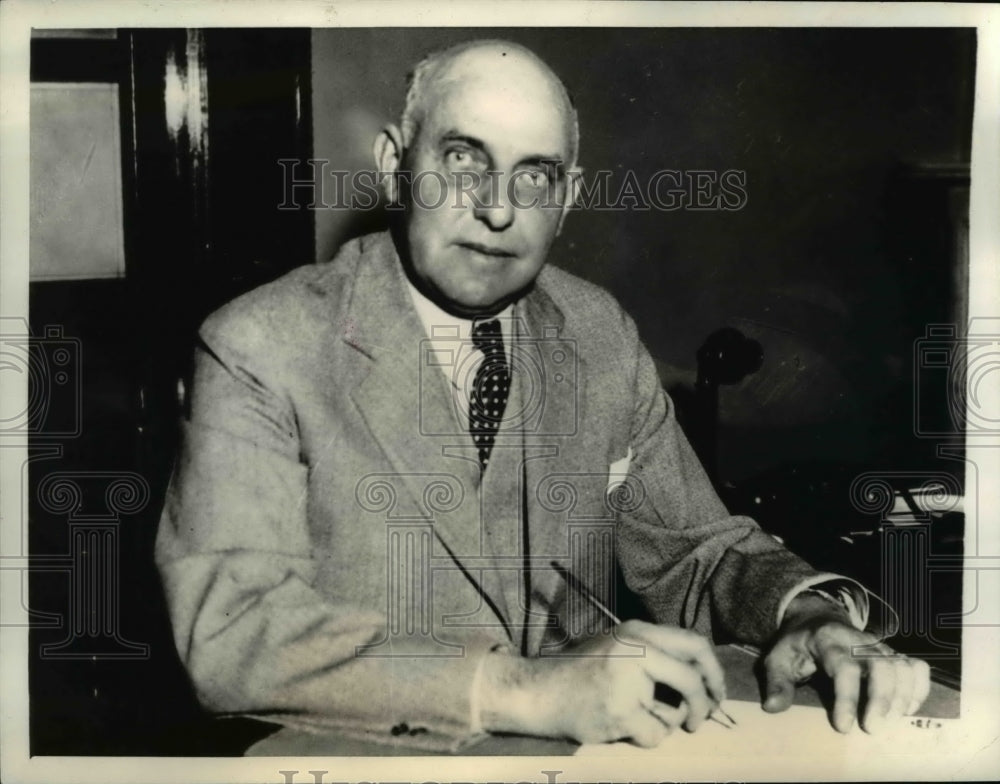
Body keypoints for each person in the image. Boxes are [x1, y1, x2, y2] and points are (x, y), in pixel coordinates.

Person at [155, 39, 930, 753]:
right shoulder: (261, 342)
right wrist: (519, 687)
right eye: (464, 160)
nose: (499, 208)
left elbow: (695, 547)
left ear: (568, 197)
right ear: (395, 167)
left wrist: (809, 613)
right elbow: (235, 631)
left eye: (535, 175)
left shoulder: (596, 332)